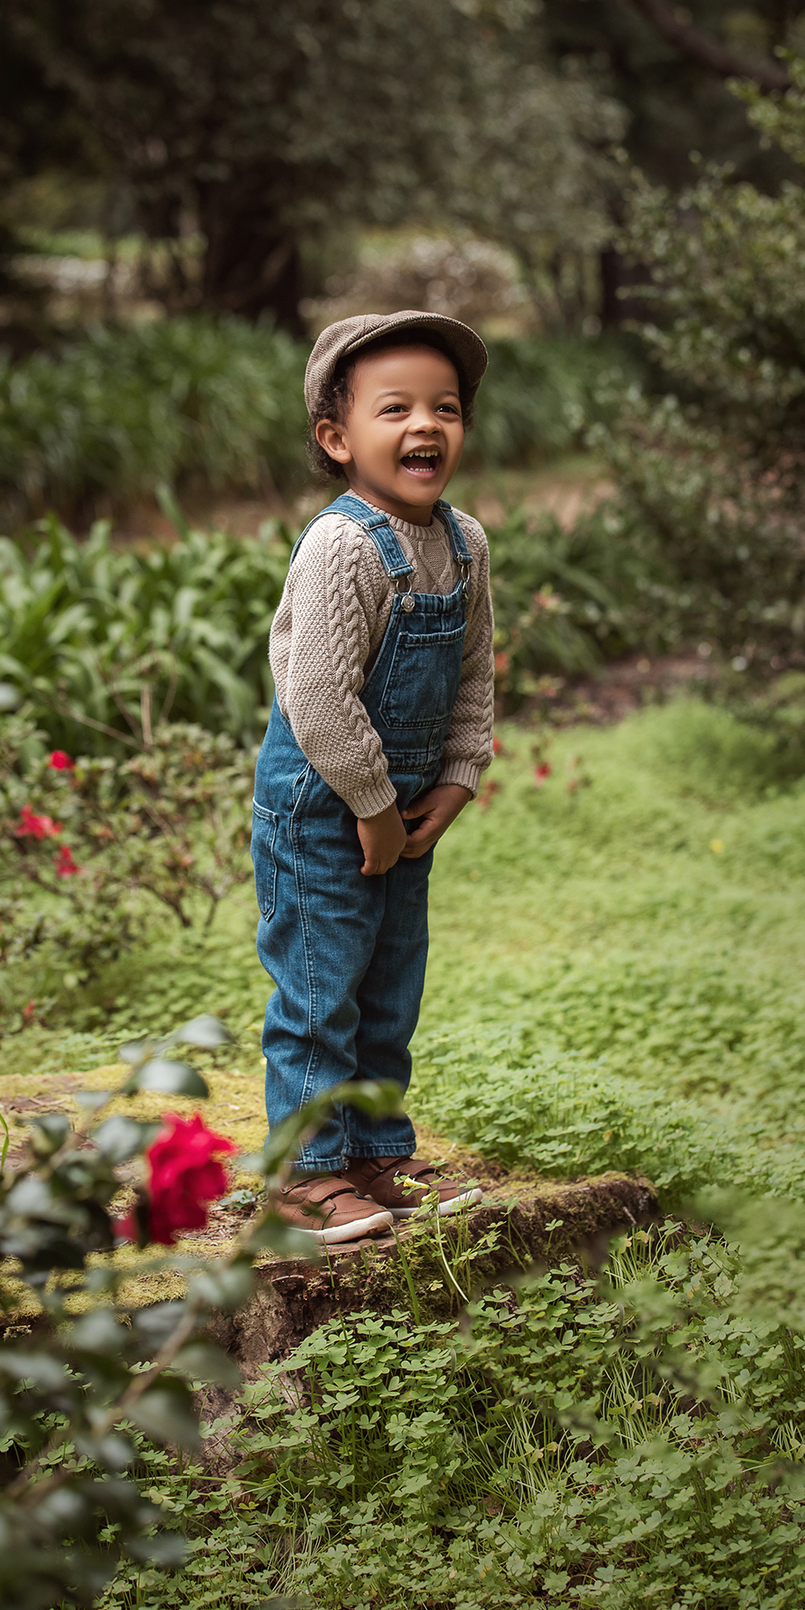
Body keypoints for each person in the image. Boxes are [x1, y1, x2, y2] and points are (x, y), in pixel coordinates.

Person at [253, 310, 495, 1243]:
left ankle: (376, 1153)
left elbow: (474, 671)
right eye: (394, 408)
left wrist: (461, 774)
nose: (425, 426)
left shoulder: (465, 542)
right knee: (320, 990)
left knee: (391, 987)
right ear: (336, 437)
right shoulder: (343, 548)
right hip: (325, 808)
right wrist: (372, 805)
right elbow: (314, 693)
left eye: (445, 407)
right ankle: (306, 1174)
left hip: (403, 812)